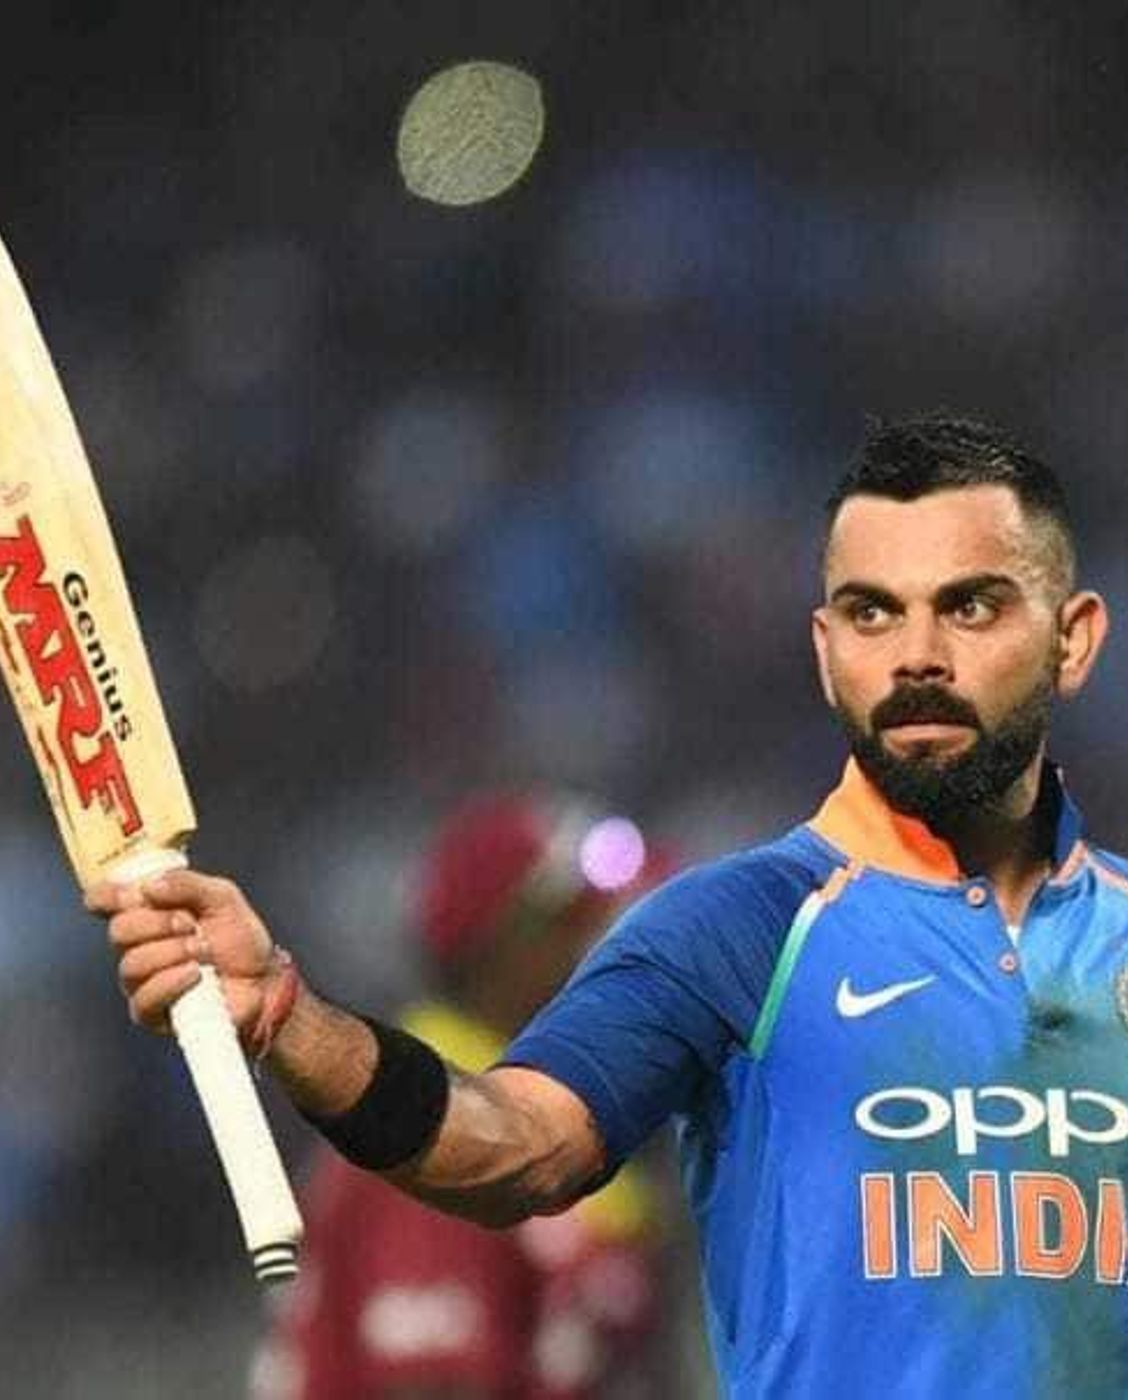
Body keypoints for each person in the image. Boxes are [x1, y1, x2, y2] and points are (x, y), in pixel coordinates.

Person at [92, 413, 1126, 1398]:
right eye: (871, 611)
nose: (916, 655)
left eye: (970, 607)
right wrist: (285, 1015)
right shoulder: (736, 928)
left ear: (1072, 639)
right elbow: (513, 1141)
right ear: (824, 651)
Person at [248, 792, 682, 1399]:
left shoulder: (553, 1126)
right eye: (574, 924)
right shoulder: (423, 1150)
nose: (608, 949)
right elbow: (431, 1389)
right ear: (493, 953)